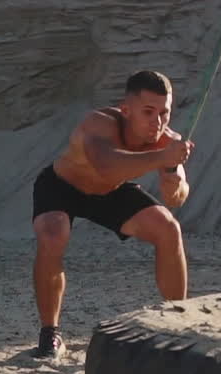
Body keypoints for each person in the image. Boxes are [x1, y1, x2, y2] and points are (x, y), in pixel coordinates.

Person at [29, 70, 195, 358]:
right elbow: (106, 165)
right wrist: (162, 158)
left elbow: (176, 198)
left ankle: (177, 322)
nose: (157, 122)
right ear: (126, 110)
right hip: (62, 186)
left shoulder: (167, 141)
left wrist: (174, 180)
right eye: (148, 112)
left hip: (110, 191)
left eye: (164, 113)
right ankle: (50, 334)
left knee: (168, 228)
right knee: (54, 235)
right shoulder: (100, 123)